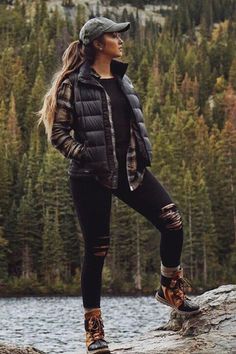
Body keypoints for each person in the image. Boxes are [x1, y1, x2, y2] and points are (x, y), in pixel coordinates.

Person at [38, 16, 200, 354]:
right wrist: (88, 155)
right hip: (89, 177)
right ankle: (94, 332)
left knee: (172, 220)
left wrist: (141, 152)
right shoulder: (73, 83)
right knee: (96, 252)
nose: (120, 40)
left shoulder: (122, 80)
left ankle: (170, 288)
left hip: (130, 170)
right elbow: (58, 135)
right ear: (98, 43)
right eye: (114, 35)